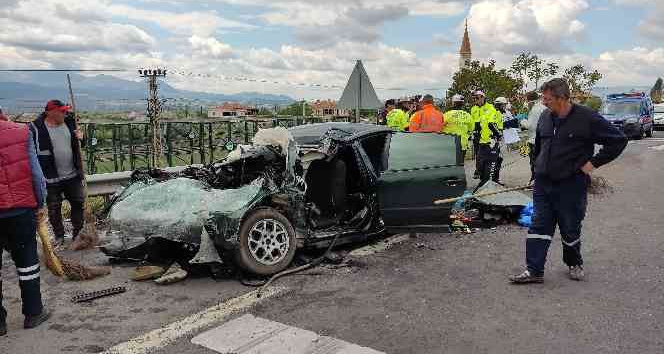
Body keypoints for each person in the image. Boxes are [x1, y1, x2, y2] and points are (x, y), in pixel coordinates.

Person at [509, 78, 627, 284]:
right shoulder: (546, 116)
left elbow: (618, 140)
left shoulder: (587, 118)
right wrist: (537, 169)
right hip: (544, 184)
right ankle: (534, 270)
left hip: (571, 185)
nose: (544, 103)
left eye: (548, 99)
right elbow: (539, 146)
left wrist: (592, 164)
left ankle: (574, 263)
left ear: (562, 98)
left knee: (570, 226)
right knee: (538, 226)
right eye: (543, 99)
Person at [1, 118, 51, 336]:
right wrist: (40, 203)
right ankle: (33, 313)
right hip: (20, 210)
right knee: (27, 263)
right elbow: (36, 174)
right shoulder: (21, 132)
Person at [30, 100, 86, 247]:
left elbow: (80, 144)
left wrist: (82, 138)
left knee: (78, 203)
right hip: (50, 177)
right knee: (54, 208)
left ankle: (78, 234)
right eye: (62, 111)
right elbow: (31, 152)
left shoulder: (70, 122)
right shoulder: (35, 128)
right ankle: (59, 235)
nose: (65, 113)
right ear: (51, 112)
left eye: (65, 111)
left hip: (72, 174)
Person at [470, 90, 498, 179]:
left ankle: (485, 173)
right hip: (476, 134)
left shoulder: (490, 107)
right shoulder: (473, 108)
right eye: (474, 98)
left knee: (485, 156)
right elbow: (472, 121)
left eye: (477, 98)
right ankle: (479, 171)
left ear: (483, 97)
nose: (476, 100)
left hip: (487, 135)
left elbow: (491, 121)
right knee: (478, 155)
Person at [525, 91, 547, 180]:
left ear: (531, 101)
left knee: (534, 162)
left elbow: (530, 126)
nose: (526, 104)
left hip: (534, 141)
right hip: (543, 140)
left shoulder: (534, 110)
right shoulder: (544, 108)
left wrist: (523, 122)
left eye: (527, 101)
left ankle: (535, 180)